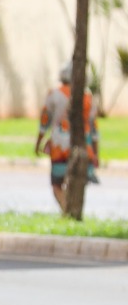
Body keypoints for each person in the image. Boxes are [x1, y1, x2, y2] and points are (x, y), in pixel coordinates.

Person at [36, 61, 99, 210]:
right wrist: (96, 152)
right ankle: (72, 210)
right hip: (84, 144)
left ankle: (66, 209)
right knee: (79, 180)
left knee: (57, 182)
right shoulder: (87, 97)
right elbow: (94, 128)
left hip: (59, 145)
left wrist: (38, 142)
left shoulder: (54, 94)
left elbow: (44, 121)